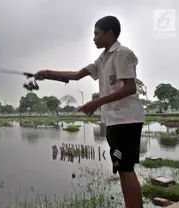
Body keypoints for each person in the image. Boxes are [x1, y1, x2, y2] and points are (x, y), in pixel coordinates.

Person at [34, 15, 144, 208]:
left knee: (126, 169)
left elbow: (130, 88)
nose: (93, 38)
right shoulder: (102, 59)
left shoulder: (122, 54)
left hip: (127, 119)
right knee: (121, 169)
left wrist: (96, 102)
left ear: (109, 33)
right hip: (114, 120)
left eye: (96, 33)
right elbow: (77, 75)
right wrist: (48, 74)